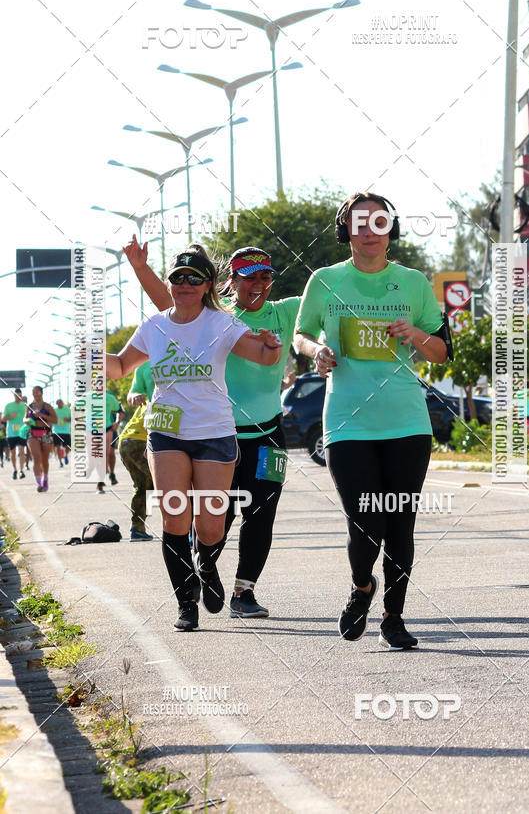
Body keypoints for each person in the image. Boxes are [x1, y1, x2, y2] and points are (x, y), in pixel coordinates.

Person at [295, 191, 451, 651]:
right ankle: (362, 585)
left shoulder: (413, 283)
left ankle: (394, 617)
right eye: (358, 222)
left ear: (389, 229)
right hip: (348, 421)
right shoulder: (325, 281)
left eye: (378, 222)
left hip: (406, 421)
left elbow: (441, 352)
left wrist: (416, 334)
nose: (368, 230)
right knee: (365, 520)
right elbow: (301, 334)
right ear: (346, 230)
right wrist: (316, 352)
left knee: (399, 521)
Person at [107, 244, 282, 632]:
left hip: (215, 433)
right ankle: (186, 603)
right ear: (169, 284)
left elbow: (263, 356)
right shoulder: (153, 326)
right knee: (174, 517)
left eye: (194, 278)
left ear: (208, 285)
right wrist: (88, 356)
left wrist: (272, 347)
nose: (185, 284)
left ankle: (206, 561)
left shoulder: (220, 323)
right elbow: (120, 366)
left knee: (210, 527)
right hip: (167, 432)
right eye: (178, 278)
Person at [118, 361, 155, 541]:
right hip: (139, 443)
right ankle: (183, 530)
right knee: (165, 484)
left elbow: (132, 396)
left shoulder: (149, 400)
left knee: (143, 486)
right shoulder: (160, 404)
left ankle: (137, 529)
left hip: (125, 442)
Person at [25, 386, 58, 492]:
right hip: (32, 433)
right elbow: (25, 417)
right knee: (36, 457)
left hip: (46, 433)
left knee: (44, 459)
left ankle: (45, 479)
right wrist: (26, 420)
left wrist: (42, 415)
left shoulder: (47, 406)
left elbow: (55, 420)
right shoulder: (30, 406)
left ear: (41, 393)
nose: (36, 394)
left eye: (38, 392)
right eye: (34, 392)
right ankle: (38, 483)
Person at [3, 389, 27, 480]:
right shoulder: (8, 406)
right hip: (11, 433)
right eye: (16, 396)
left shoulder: (25, 406)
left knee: (21, 450)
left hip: (22, 432)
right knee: (13, 453)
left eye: (19, 395)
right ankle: (15, 470)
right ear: (14, 396)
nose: (18, 397)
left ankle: (21, 470)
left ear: (21, 396)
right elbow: (3, 419)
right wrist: (10, 417)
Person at [53, 398, 71, 466]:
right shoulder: (54, 410)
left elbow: (72, 419)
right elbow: (51, 419)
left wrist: (68, 419)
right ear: (57, 404)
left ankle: (66, 455)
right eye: (59, 403)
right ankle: (60, 462)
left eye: (61, 402)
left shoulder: (67, 409)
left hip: (66, 431)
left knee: (68, 446)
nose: (60, 404)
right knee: (57, 447)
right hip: (56, 431)